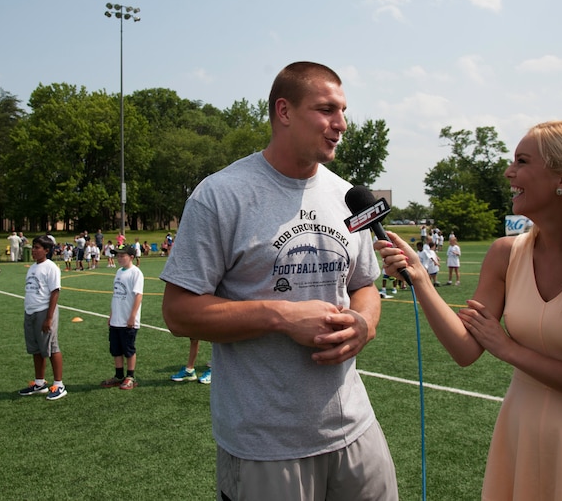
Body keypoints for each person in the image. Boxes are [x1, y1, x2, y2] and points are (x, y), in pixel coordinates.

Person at [376, 121, 562, 499]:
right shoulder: (505, 253)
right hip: (520, 430)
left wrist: (510, 350)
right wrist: (422, 282)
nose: (509, 172)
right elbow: (465, 350)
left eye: (522, 161)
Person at [160, 62, 398, 500]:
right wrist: (282, 316)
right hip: (265, 444)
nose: (341, 124)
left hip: (355, 428)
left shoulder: (345, 195)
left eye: (343, 111)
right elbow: (177, 312)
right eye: (327, 110)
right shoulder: (220, 195)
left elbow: (365, 283)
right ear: (284, 111)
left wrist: (366, 323)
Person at [19, 235, 67, 401]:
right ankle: (39, 383)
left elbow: (55, 292)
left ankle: (59, 385)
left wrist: (49, 317)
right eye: (33, 247)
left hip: (44, 311)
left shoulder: (51, 267)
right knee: (36, 348)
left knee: (52, 347)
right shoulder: (32, 267)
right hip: (31, 312)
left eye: (37, 248)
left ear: (47, 250)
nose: (33, 250)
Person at [101, 245, 144, 390]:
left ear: (131, 257)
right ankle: (119, 375)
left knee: (128, 349)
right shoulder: (119, 272)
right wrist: (111, 315)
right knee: (116, 349)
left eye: (122, 256)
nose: (119, 258)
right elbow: (116, 295)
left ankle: (130, 376)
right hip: (116, 319)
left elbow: (138, 295)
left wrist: (132, 316)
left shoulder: (136, 273)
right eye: (118, 256)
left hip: (128, 320)